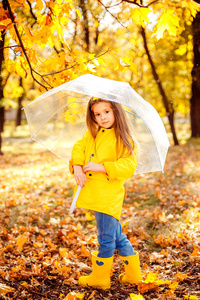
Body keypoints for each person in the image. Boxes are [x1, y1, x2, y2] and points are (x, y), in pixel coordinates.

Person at [69, 97, 142, 290]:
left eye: (106, 112)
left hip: (107, 196)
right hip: (96, 193)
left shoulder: (123, 138)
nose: (102, 117)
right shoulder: (92, 134)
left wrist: (102, 167)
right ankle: (133, 275)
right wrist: (77, 165)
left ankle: (100, 278)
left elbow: (128, 166)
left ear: (116, 111)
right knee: (117, 236)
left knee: (106, 238)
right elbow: (79, 146)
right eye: (97, 114)